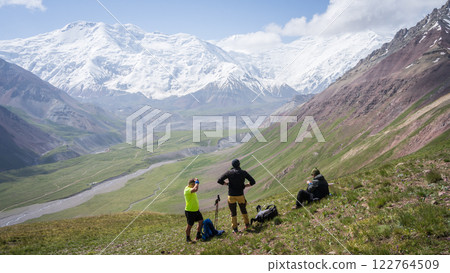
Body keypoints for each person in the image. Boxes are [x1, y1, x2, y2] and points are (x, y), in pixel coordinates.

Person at [217, 159, 256, 233]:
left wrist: (228, 184)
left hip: (231, 196)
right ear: (239, 164)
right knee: (243, 210)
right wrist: (245, 186)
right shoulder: (243, 172)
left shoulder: (229, 172)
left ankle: (235, 228)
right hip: (240, 195)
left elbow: (219, 180)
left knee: (233, 212)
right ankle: (247, 224)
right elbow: (253, 182)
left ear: (232, 165)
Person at [184, 178, 203, 242]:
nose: (196, 185)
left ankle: (198, 235)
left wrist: (196, 182)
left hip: (196, 210)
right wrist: (197, 182)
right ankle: (188, 238)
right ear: (192, 184)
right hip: (190, 211)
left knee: (200, 221)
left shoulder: (190, 188)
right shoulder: (187, 190)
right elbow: (195, 189)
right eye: (194, 184)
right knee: (190, 225)